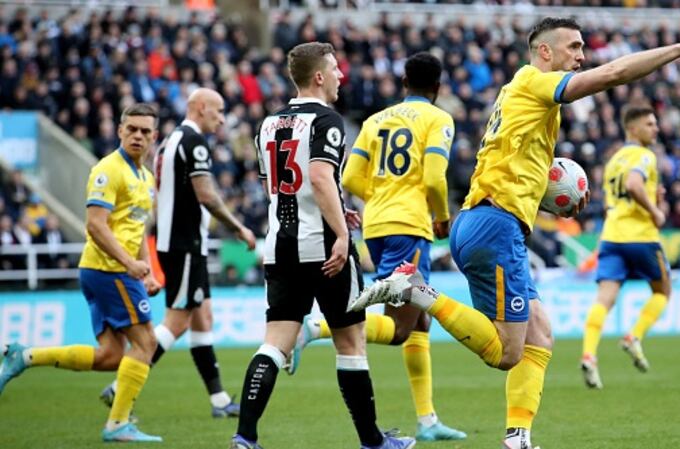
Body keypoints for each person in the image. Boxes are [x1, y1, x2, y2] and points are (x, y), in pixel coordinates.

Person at [350, 17, 680, 449]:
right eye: (574, 46)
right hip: (495, 225)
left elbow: (518, 159)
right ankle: (417, 290)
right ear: (545, 51)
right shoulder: (534, 81)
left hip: (485, 222)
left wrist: (554, 192)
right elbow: (613, 74)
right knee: (505, 353)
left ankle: (518, 437)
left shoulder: (520, 93)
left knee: (540, 331)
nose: (582, 56)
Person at [229, 42, 414, 449]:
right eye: (334, 69)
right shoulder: (327, 120)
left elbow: (274, 187)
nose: (340, 76)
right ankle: (373, 441)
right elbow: (317, 176)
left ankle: (244, 437)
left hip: (280, 246)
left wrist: (336, 209)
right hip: (326, 249)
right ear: (318, 77)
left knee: (275, 342)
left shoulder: (268, 124)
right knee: (351, 343)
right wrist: (343, 233)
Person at [288, 52, 466, 442]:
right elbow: (436, 178)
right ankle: (316, 327)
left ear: (403, 83)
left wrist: (384, 195)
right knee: (402, 327)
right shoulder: (439, 119)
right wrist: (441, 217)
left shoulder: (374, 120)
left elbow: (350, 178)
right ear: (437, 88)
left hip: (378, 225)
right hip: (410, 224)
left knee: (420, 319)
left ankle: (427, 418)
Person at [0, 104, 163, 442]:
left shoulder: (146, 179)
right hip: (108, 270)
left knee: (111, 356)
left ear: (154, 137)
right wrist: (130, 266)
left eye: (145, 131)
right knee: (146, 342)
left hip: (108, 271)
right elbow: (95, 226)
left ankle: (24, 356)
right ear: (119, 131)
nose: (137, 135)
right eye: (131, 128)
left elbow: (135, 228)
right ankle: (118, 425)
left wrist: (145, 271)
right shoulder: (108, 170)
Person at [98, 88, 257, 418]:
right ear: (200, 108)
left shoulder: (171, 141)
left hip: (179, 243)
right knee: (177, 321)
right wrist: (238, 228)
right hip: (184, 245)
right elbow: (206, 195)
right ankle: (119, 388)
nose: (222, 118)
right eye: (218, 110)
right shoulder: (193, 141)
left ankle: (219, 401)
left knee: (203, 317)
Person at [580, 105, 671, 390]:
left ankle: (589, 354)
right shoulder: (644, 156)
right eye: (650, 124)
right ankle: (634, 336)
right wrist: (655, 212)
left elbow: (615, 201)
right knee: (663, 291)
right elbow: (633, 185)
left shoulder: (613, 160)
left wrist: (656, 199)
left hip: (612, 236)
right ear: (633, 128)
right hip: (641, 236)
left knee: (604, 298)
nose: (656, 129)